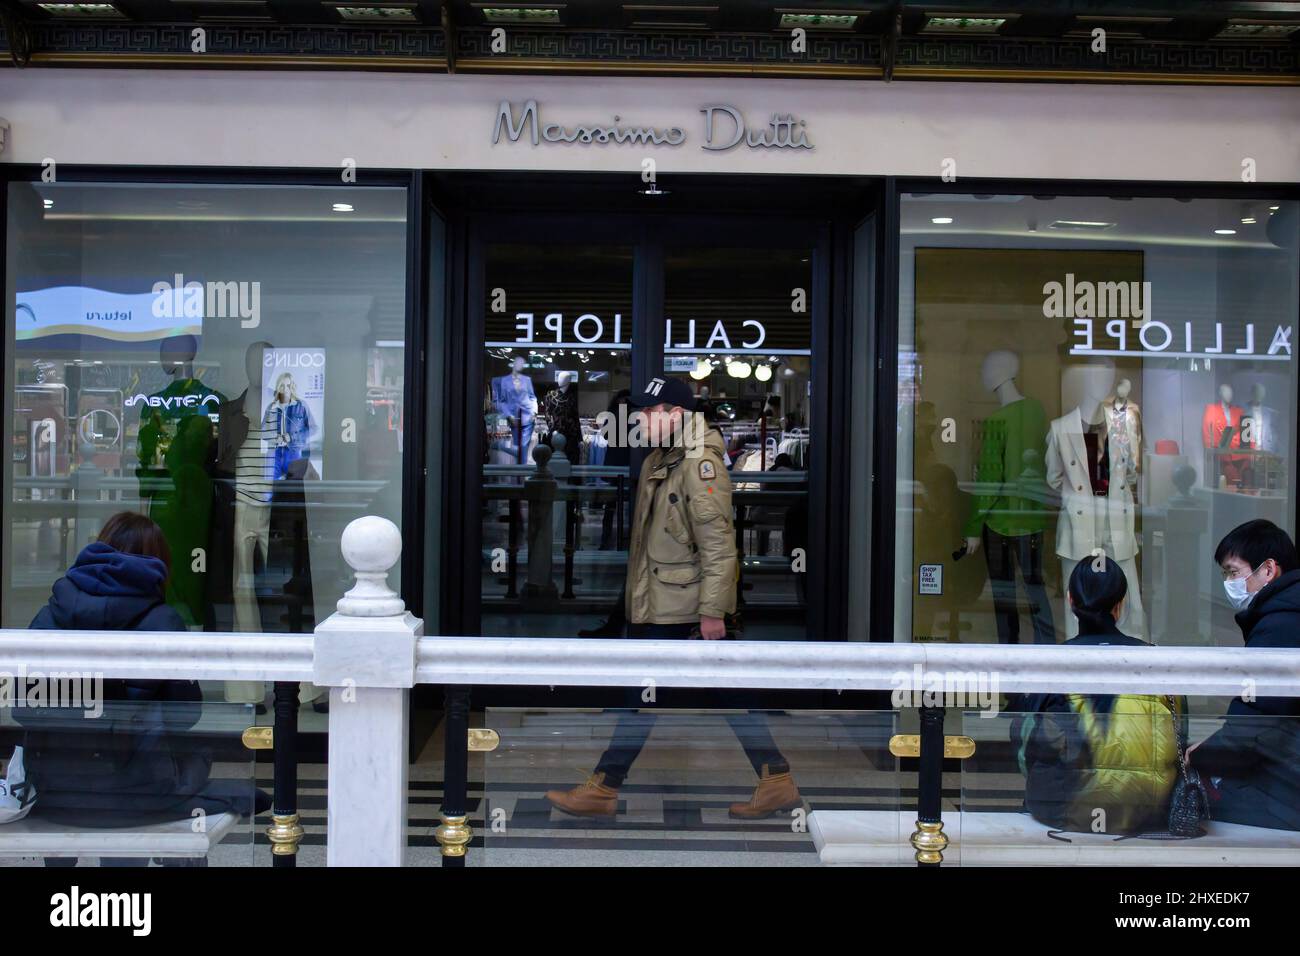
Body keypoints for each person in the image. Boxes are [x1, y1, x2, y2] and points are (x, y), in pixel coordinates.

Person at [547, 377, 801, 820]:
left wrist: (712, 613)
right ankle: (775, 777)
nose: (639, 420)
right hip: (661, 598)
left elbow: (719, 544)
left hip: (682, 605)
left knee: (650, 696)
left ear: (674, 413)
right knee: (699, 692)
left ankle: (604, 787)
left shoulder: (699, 462)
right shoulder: (661, 459)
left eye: (647, 412)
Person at [21, 512, 270, 865]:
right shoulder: (162, 621)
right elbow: (186, 716)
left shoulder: (50, 614)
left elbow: (22, 709)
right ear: (158, 562)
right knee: (193, 758)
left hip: (54, 792)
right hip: (136, 795)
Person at [1010, 557, 1182, 835]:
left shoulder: (1051, 665)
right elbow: (1176, 735)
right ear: (1120, 605)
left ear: (1070, 600)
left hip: (1062, 812)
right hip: (1149, 811)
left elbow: (1025, 750)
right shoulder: (1157, 662)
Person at [1188, 519, 1300, 831]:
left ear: (1268, 570)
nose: (1228, 582)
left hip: (1286, 790)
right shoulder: (1284, 614)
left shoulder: (1280, 626)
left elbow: (1255, 724)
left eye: (1233, 572)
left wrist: (1202, 757)